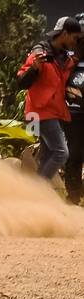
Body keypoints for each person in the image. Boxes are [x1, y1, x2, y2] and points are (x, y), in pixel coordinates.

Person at [17, 16, 82, 183]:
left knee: (47, 154)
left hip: (53, 113)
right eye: (75, 38)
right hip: (39, 113)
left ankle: (33, 194)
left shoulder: (64, 57)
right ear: (65, 34)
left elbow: (72, 61)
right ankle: (38, 191)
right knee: (61, 152)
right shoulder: (39, 54)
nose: (76, 42)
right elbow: (22, 83)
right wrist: (34, 68)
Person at [65, 44, 84, 203]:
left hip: (75, 111)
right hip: (75, 112)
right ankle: (73, 195)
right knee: (75, 154)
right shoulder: (69, 59)